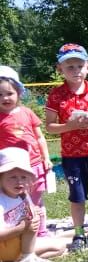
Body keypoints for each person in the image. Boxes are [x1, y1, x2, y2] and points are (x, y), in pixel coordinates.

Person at [44, 43, 88, 251]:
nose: (76, 71)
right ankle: (79, 234)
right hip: (72, 155)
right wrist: (69, 126)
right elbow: (49, 127)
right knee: (77, 195)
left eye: (79, 66)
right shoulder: (56, 95)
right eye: (69, 67)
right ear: (60, 69)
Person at [0, 66, 52, 236]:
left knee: (36, 199)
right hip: (11, 169)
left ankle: (41, 231)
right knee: (14, 199)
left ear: (19, 93)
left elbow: (39, 137)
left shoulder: (27, 113)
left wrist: (46, 158)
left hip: (34, 164)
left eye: (9, 93)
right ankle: (18, 230)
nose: (5, 98)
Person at [0, 148, 68, 262]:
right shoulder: (2, 200)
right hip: (4, 246)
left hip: (19, 244)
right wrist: (22, 228)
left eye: (23, 177)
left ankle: (21, 259)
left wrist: (34, 213)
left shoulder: (23, 195)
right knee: (31, 222)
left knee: (60, 247)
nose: (19, 182)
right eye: (13, 177)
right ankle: (25, 258)